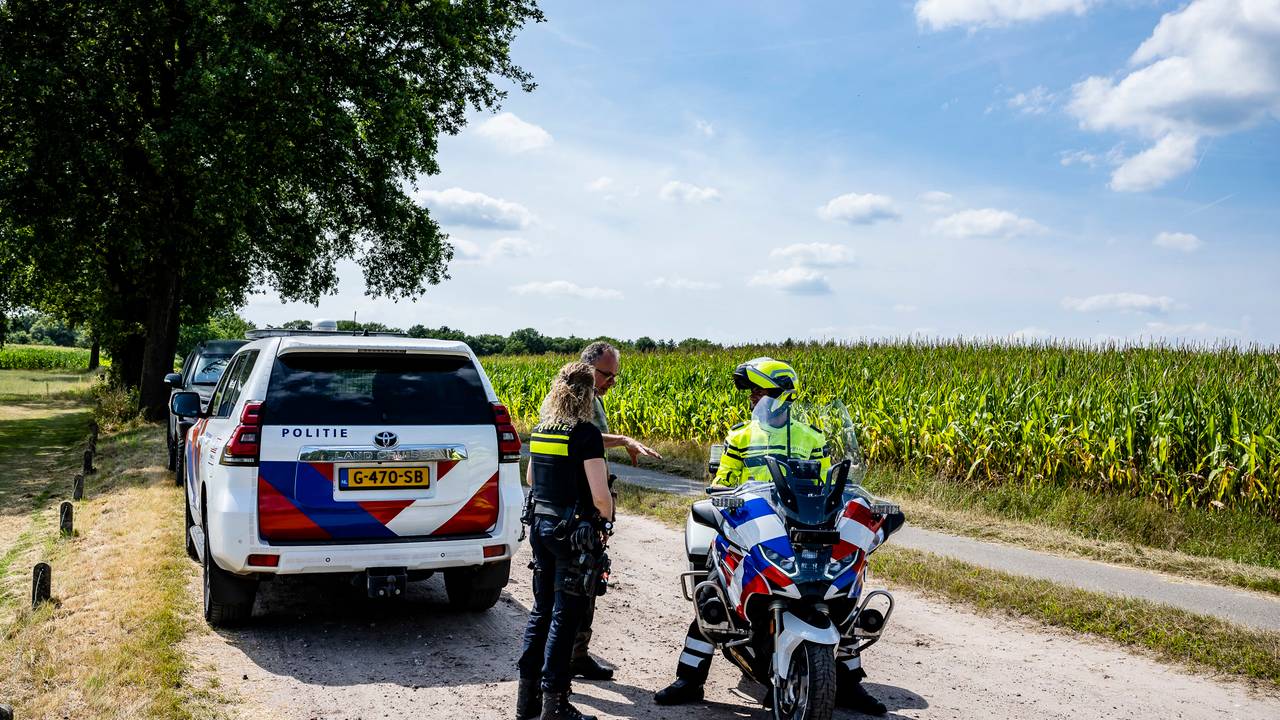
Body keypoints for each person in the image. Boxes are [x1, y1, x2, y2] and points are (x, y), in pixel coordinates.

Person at [652, 357, 889, 716]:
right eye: (752, 392)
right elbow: (723, 480)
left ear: (781, 395)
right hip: (750, 524)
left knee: (836, 596)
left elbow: (831, 486)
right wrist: (721, 491)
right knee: (714, 593)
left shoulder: (812, 437)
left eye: (759, 391)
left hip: (799, 526)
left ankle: (849, 684)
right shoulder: (741, 435)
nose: (752, 398)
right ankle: (689, 679)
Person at [516, 362, 616, 720]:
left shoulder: (542, 430)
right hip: (573, 536)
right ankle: (555, 705)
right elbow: (601, 497)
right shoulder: (586, 434)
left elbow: (532, 478)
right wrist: (604, 522)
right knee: (565, 616)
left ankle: (527, 702)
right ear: (588, 394)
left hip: (541, 530)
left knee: (541, 612)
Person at [569, 342, 661, 681]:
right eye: (607, 375)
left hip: (590, 498)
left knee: (590, 579)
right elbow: (585, 438)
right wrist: (622, 439)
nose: (611, 382)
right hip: (582, 503)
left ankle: (576, 653)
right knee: (580, 580)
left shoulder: (592, 397)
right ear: (588, 368)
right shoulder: (577, 399)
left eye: (614, 376)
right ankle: (569, 658)